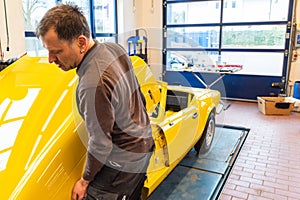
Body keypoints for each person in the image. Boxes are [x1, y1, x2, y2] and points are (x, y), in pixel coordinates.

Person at [36, 3, 154, 200]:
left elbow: (100, 143)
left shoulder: (92, 84)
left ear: (81, 43)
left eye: (56, 51)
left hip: (123, 161)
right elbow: (138, 96)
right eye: (48, 51)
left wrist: (84, 181)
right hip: (143, 145)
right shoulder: (115, 48)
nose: (50, 59)